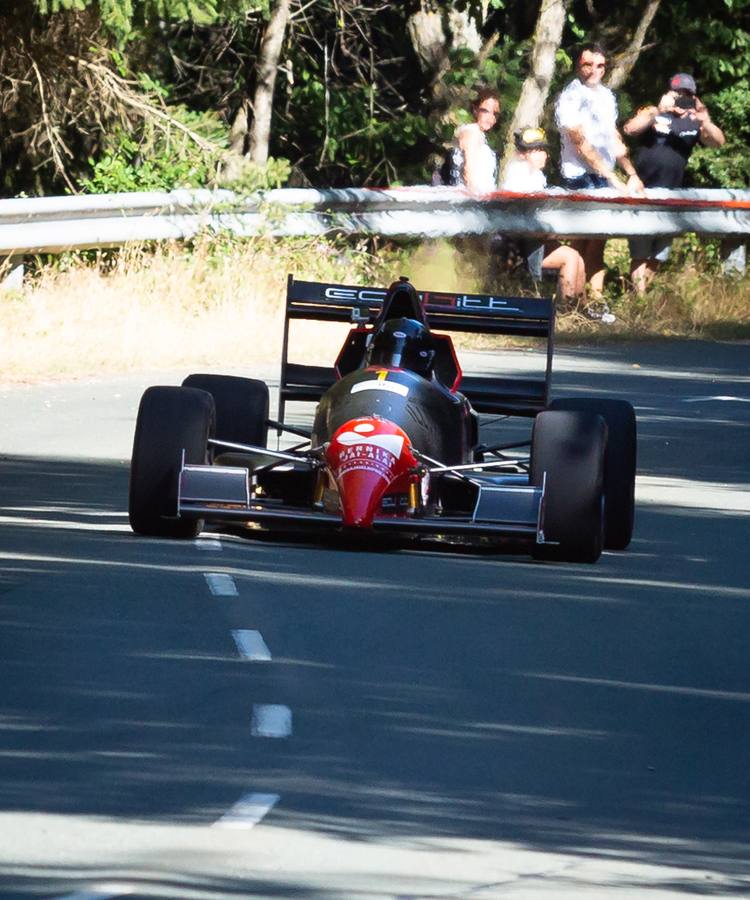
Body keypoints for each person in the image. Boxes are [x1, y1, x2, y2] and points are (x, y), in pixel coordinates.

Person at [555, 43, 644, 313]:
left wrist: (631, 173)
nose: (594, 70)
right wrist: (611, 176)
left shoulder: (606, 96)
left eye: (600, 65)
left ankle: (595, 303)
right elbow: (579, 142)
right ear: (577, 66)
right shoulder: (570, 97)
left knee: (598, 244)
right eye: (587, 64)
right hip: (580, 176)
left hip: (604, 177)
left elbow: (613, 137)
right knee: (579, 245)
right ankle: (571, 304)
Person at [623, 73, 726, 293]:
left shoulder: (694, 121)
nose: (682, 98)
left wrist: (704, 120)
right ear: (668, 92)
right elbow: (630, 129)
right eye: (677, 93)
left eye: (687, 94)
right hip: (643, 192)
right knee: (640, 251)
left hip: (672, 197)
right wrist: (659, 110)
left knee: (659, 254)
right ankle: (638, 301)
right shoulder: (652, 112)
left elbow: (718, 142)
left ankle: (638, 295)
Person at [501, 126, 586, 305]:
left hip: (532, 239)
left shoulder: (535, 175)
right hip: (519, 244)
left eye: (543, 150)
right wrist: (553, 232)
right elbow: (522, 222)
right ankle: (564, 311)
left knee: (576, 256)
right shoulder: (519, 176)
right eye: (537, 150)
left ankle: (579, 310)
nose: (544, 155)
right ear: (523, 154)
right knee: (570, 257)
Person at [450, 87, 501, 194]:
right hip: (470, 198)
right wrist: (475, 198)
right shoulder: (471, 133)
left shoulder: (478, 134)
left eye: (495, 113)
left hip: (482, 196)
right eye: (485, 111)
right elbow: (468, 169)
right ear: (475, 110)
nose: (491, 117)